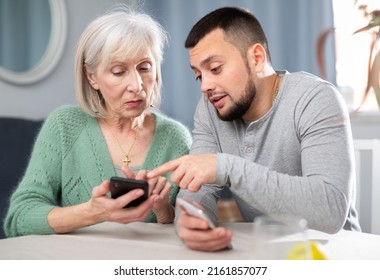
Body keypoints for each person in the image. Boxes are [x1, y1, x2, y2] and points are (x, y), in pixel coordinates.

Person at [147, 6, 361, 252]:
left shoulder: (316, 99)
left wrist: (225, 167)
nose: (205, 86)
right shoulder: (210, 109)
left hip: (334, 254)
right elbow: (198, 189)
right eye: (198, 75)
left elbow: (329, 212)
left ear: (257, 58)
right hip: (267, 251)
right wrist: (193, 221)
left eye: (215, 69)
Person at [3, 5, 191, 237]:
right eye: (118, 71)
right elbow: (18, 218)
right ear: (92, 77)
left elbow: (189, 224)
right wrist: (93, 212)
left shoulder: (176, 138)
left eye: (144, 68)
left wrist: (163, 210)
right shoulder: (64, 126)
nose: (137, 85)